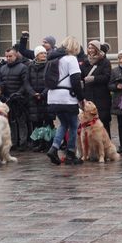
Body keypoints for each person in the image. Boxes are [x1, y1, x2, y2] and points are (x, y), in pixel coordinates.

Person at [45, 36, 85, 166]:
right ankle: (70, 154)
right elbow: (75, 81)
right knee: (73, 125)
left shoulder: (52, 59)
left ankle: (54, 148)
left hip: (53, 96)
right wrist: (81, 98)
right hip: (67, 97)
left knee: (63, 124)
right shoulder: (71, 59)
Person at [0, 47, 29, 150]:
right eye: (6, 56)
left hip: (19, 100)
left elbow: (25, 84)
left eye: (10, 56)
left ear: (15, 56)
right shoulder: (2, 68)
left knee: (21, 122)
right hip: (7, 99)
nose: (8, 58)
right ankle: (13, 142)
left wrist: (18, 94)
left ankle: (23, 142)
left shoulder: (23, 67)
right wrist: (0, 92)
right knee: (11, 122)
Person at [81, 40, 112, 135]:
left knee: (103, 121)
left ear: (97, 49)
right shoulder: (85, 62)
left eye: (92, 48)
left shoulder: (105, 62)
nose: (90, 50)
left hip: (102, 96)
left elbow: (107, 77)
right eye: (89, 48)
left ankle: (106, 143)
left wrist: (94, 78)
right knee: (89, 122)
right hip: (89, 96)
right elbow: (81, 76)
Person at [26, 46, 53, 152]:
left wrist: (42, 94)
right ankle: (39, 143)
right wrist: (33, 93)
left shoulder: (49, 65)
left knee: (48, 122)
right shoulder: (30, 66)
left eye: (45, 53)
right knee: (37, 122)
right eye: (41, 53)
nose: (44, 55)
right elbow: (26, 82)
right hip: (34, 98)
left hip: (46, 97)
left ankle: (49, 144)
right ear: (36, 55)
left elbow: (51, 81)